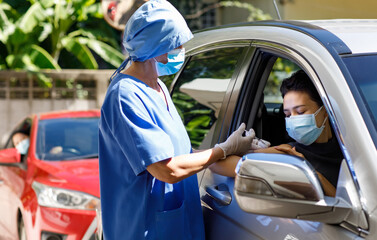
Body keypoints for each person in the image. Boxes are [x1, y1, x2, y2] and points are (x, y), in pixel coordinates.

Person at [98, 1, 255, 239]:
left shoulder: (157, 86)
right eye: (175, 43)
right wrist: (222, 150)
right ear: (155, 44)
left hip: (176, 223)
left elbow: (182, 151)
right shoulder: (125, 95)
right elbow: (166, 169)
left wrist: (240, 152)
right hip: (144, 228)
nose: (181, 49)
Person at [216, 70, 343, 197]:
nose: (293, 120)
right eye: (287, 115)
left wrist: (310, 173)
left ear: (326, 110)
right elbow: (218, 163)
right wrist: (238, 149)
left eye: (300, 112)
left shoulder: (350, 148)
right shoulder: (289, 153)